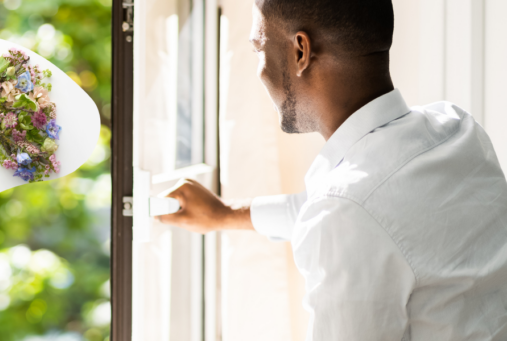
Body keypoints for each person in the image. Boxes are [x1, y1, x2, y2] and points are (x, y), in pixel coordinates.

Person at [156, 0, 507, 339]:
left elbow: (351, 215)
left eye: (258, 48)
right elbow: (370, 215)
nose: (259, 70)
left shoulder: (346, 211)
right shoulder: (456, 128)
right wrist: (223, 214)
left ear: (300, 52)